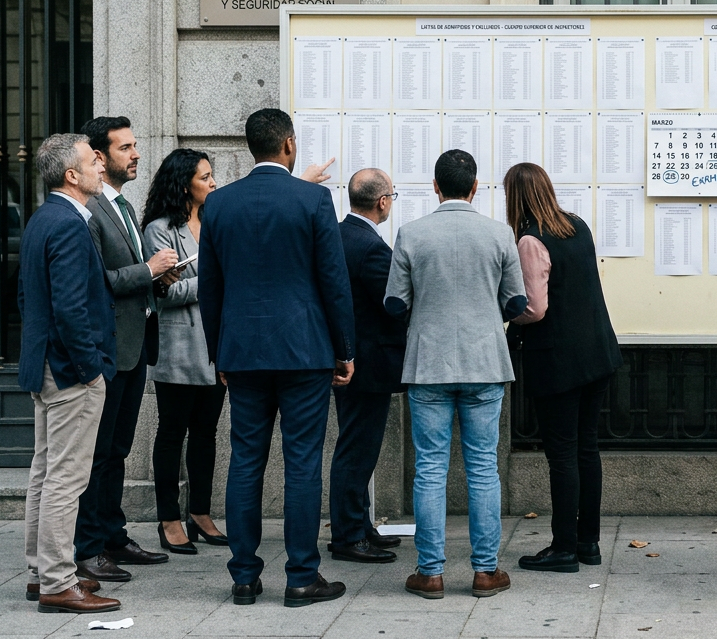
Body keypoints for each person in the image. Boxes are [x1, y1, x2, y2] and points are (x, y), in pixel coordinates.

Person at [198, 108, 356, 608]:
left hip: (242, 352)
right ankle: (301, 576)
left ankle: (244, 576)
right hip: (305, 350)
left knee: (245, 460)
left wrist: (217, 351)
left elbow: (210, 287)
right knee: (303, 463)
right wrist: (343, 349)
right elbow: (334, 281)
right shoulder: (313, 198)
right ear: (288, 145)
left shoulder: (220, 204)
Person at [385, 149, 526, 600]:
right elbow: (517, 303)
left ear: (435, 187)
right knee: (483, 466)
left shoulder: (412, 233)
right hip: (485, 361)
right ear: (475, 187)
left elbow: (395, 303)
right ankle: (486, 572)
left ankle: (430, 573)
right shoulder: (499, 234)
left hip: (429, 363)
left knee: (429, 467)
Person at [19, 133, 121, 614]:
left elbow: (28, 300)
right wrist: (89, 369)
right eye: (92, 160)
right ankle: (58, 582)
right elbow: (70, 308)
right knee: (64, 479)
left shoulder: (46, 219)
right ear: (71, 175)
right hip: (68, 372)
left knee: (45, 474)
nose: (102, 167)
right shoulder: (67, 224)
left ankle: (43, 574)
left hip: (46, 366)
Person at [504, 163, 623, 575]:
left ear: (513, 197)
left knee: (562, 455)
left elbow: (535, 309)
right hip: (597, 354)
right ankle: (588, 542)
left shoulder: (530, 240)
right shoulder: (578, 225)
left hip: (558, 361)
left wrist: (506, 309)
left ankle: (563, 547)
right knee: (586, 448)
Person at [75, 116, 176, 583]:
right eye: (126, 148)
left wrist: (158, 275)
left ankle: (114, 535)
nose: (136, 154)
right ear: (98, 156)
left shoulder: (124, 205)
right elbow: (99, 283)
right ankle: (89, 547)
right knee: (97, 454)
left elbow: (132, 275)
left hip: (135, 347)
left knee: (116, 449)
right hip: (109, 349)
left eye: (135, 145)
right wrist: (149, 269)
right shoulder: (89, 211)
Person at [142, 148, 229, 554]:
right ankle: (168, 518)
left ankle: (200, 512)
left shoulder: (217, 223)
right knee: (172, 432)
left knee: (207, 433)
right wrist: (212, 282)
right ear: (184, 184)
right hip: (177, 347)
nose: (213, 183)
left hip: (215, 346)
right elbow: (165, 291)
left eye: (212, 176)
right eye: (205, 177)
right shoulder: (160, 229)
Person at [327, 169, 407, 564]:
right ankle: (347, 536)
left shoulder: (339, 235)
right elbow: (393, 303)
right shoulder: (372, 247)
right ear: (382, 202)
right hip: (368, 364)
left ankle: (359, 526)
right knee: (357, 450)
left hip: (347, 359)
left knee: (357, 447)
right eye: (392, 194)